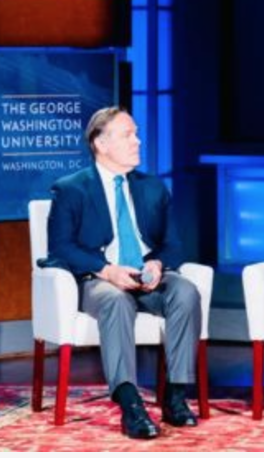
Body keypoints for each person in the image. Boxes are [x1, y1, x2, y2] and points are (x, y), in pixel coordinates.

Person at [45, 107, 201, 440]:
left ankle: (175, 395)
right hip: (98, 280)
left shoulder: (153, 187)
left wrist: (158, 264)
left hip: (147, 277)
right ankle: (130, 404)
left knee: (186, 291)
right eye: (128, 134)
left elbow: (173, 244)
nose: (138, 141)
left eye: (136, 133)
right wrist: (106, 270)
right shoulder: (71, 188)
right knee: (115, 300)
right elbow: (60, 248)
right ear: (101, 143)